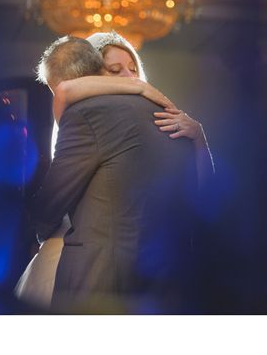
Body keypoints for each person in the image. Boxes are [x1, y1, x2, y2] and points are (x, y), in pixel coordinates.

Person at [21, 36, 197, 311]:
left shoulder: (86, 113)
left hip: (103, 279)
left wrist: (37, 225)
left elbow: (53, 200)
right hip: (165, 278)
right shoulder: (171, 116)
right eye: (115, 71)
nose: (126, 77)